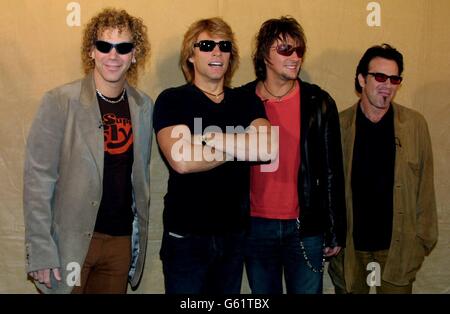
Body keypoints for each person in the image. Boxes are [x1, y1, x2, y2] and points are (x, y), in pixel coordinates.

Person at [23, 8, 152, 294]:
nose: (113, 55)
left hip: (119, 243)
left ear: (134, 54)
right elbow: (38, 181)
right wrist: (41, 249)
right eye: (104, 46)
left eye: (123, 47)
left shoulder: (144, 106)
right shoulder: (60, 101)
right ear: (92, 51)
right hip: (70, 242)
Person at [153, 17, 275, 294]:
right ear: (191, 56)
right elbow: (182, 160)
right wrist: (243, 145)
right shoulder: (172, 100)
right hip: (186, 236)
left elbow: (268, 148)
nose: (217, 51)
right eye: (206, 45)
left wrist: (212, 139)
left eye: (224, 45)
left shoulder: (246, 100)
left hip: (233, 235)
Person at [241, 16, 346, 294]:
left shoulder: (318, 102)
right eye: (285, 49)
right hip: (254, 225)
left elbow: (333, 169)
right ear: (264, 54)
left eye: (299, 50)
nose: (295, 57)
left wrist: (334, 229)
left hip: (305, 227)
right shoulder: (242, 100)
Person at [328, 44, 438, 294]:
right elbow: (327, 186)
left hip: (398, 253)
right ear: (361, 79)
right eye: (379, 77)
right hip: (350, 254)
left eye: (394, 78)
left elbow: (426, 189)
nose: (387, 85)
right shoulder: (339, 125)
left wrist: (421, 242)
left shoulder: (415, 125)